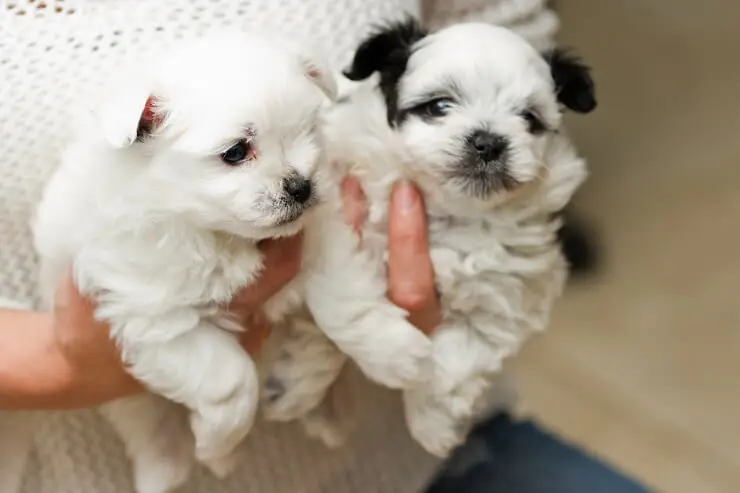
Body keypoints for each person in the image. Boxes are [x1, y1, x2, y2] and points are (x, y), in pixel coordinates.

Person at [0, 1, 626, 492]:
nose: (298, 176)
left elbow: (502, 40)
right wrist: (57, 367)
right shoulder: (117, 149)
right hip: (76, 468)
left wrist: (465, 282)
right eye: (236, 152)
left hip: (414, 447)